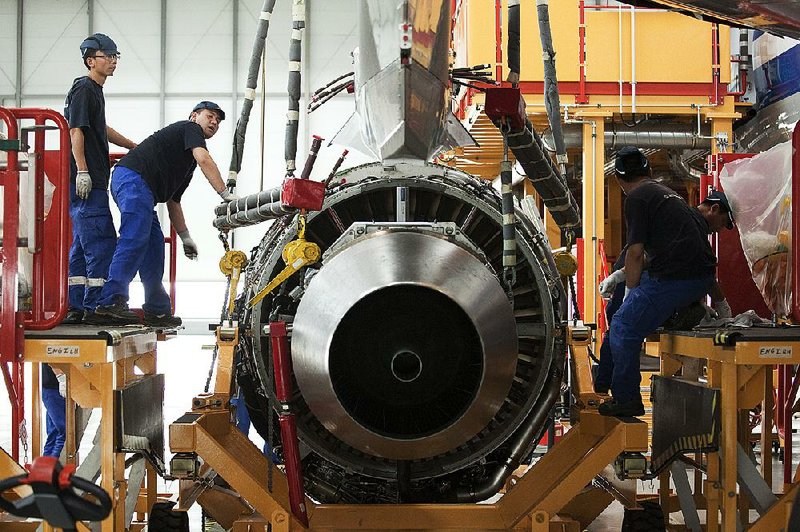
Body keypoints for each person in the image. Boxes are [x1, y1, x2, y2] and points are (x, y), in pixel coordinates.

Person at [598, 147, 732, 417]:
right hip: (695, 281)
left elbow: (636, 253)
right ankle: (603, 383)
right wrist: (622, 279)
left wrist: (630, 295)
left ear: (620, 180)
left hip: (673, 280)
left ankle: (626, 399)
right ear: (647, 171)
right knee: (618, 315)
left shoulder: (636, 197)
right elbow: (672, 253)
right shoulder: (667, 195)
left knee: (624, 327)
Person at [92, 101, 236, 326]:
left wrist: (185, 237)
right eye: (210, 116)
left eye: (217, 121)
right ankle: (111, 301)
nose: (214, 122)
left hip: (140, 188)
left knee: (154, 247)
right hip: (133, 179)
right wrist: (225, 193)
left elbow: (173, 201)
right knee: (135, 238)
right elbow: (205, 159)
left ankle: (157, 309)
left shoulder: (186, 161)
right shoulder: (191, 130)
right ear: (193, 116)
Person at [63, 33, 137, 325]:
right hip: (88, 182)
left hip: (91, 181)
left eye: (115, 56)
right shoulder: (84, 88)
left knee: (82, 245)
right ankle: (96, 306)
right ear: (90, 60)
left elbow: (100, 127)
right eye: (108, 56)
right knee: (102, 242)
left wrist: (133, 145)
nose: (113, 61)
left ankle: (77, 306)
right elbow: (76, 130)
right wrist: (82, 170)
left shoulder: (95, 91)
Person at [41, 364, 66, 458]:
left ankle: (46, 464)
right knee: (63, 429)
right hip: (52, 388)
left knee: (54, 432)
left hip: (53, 387)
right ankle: (53, 463)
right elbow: (51, 357)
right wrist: (61, 378)